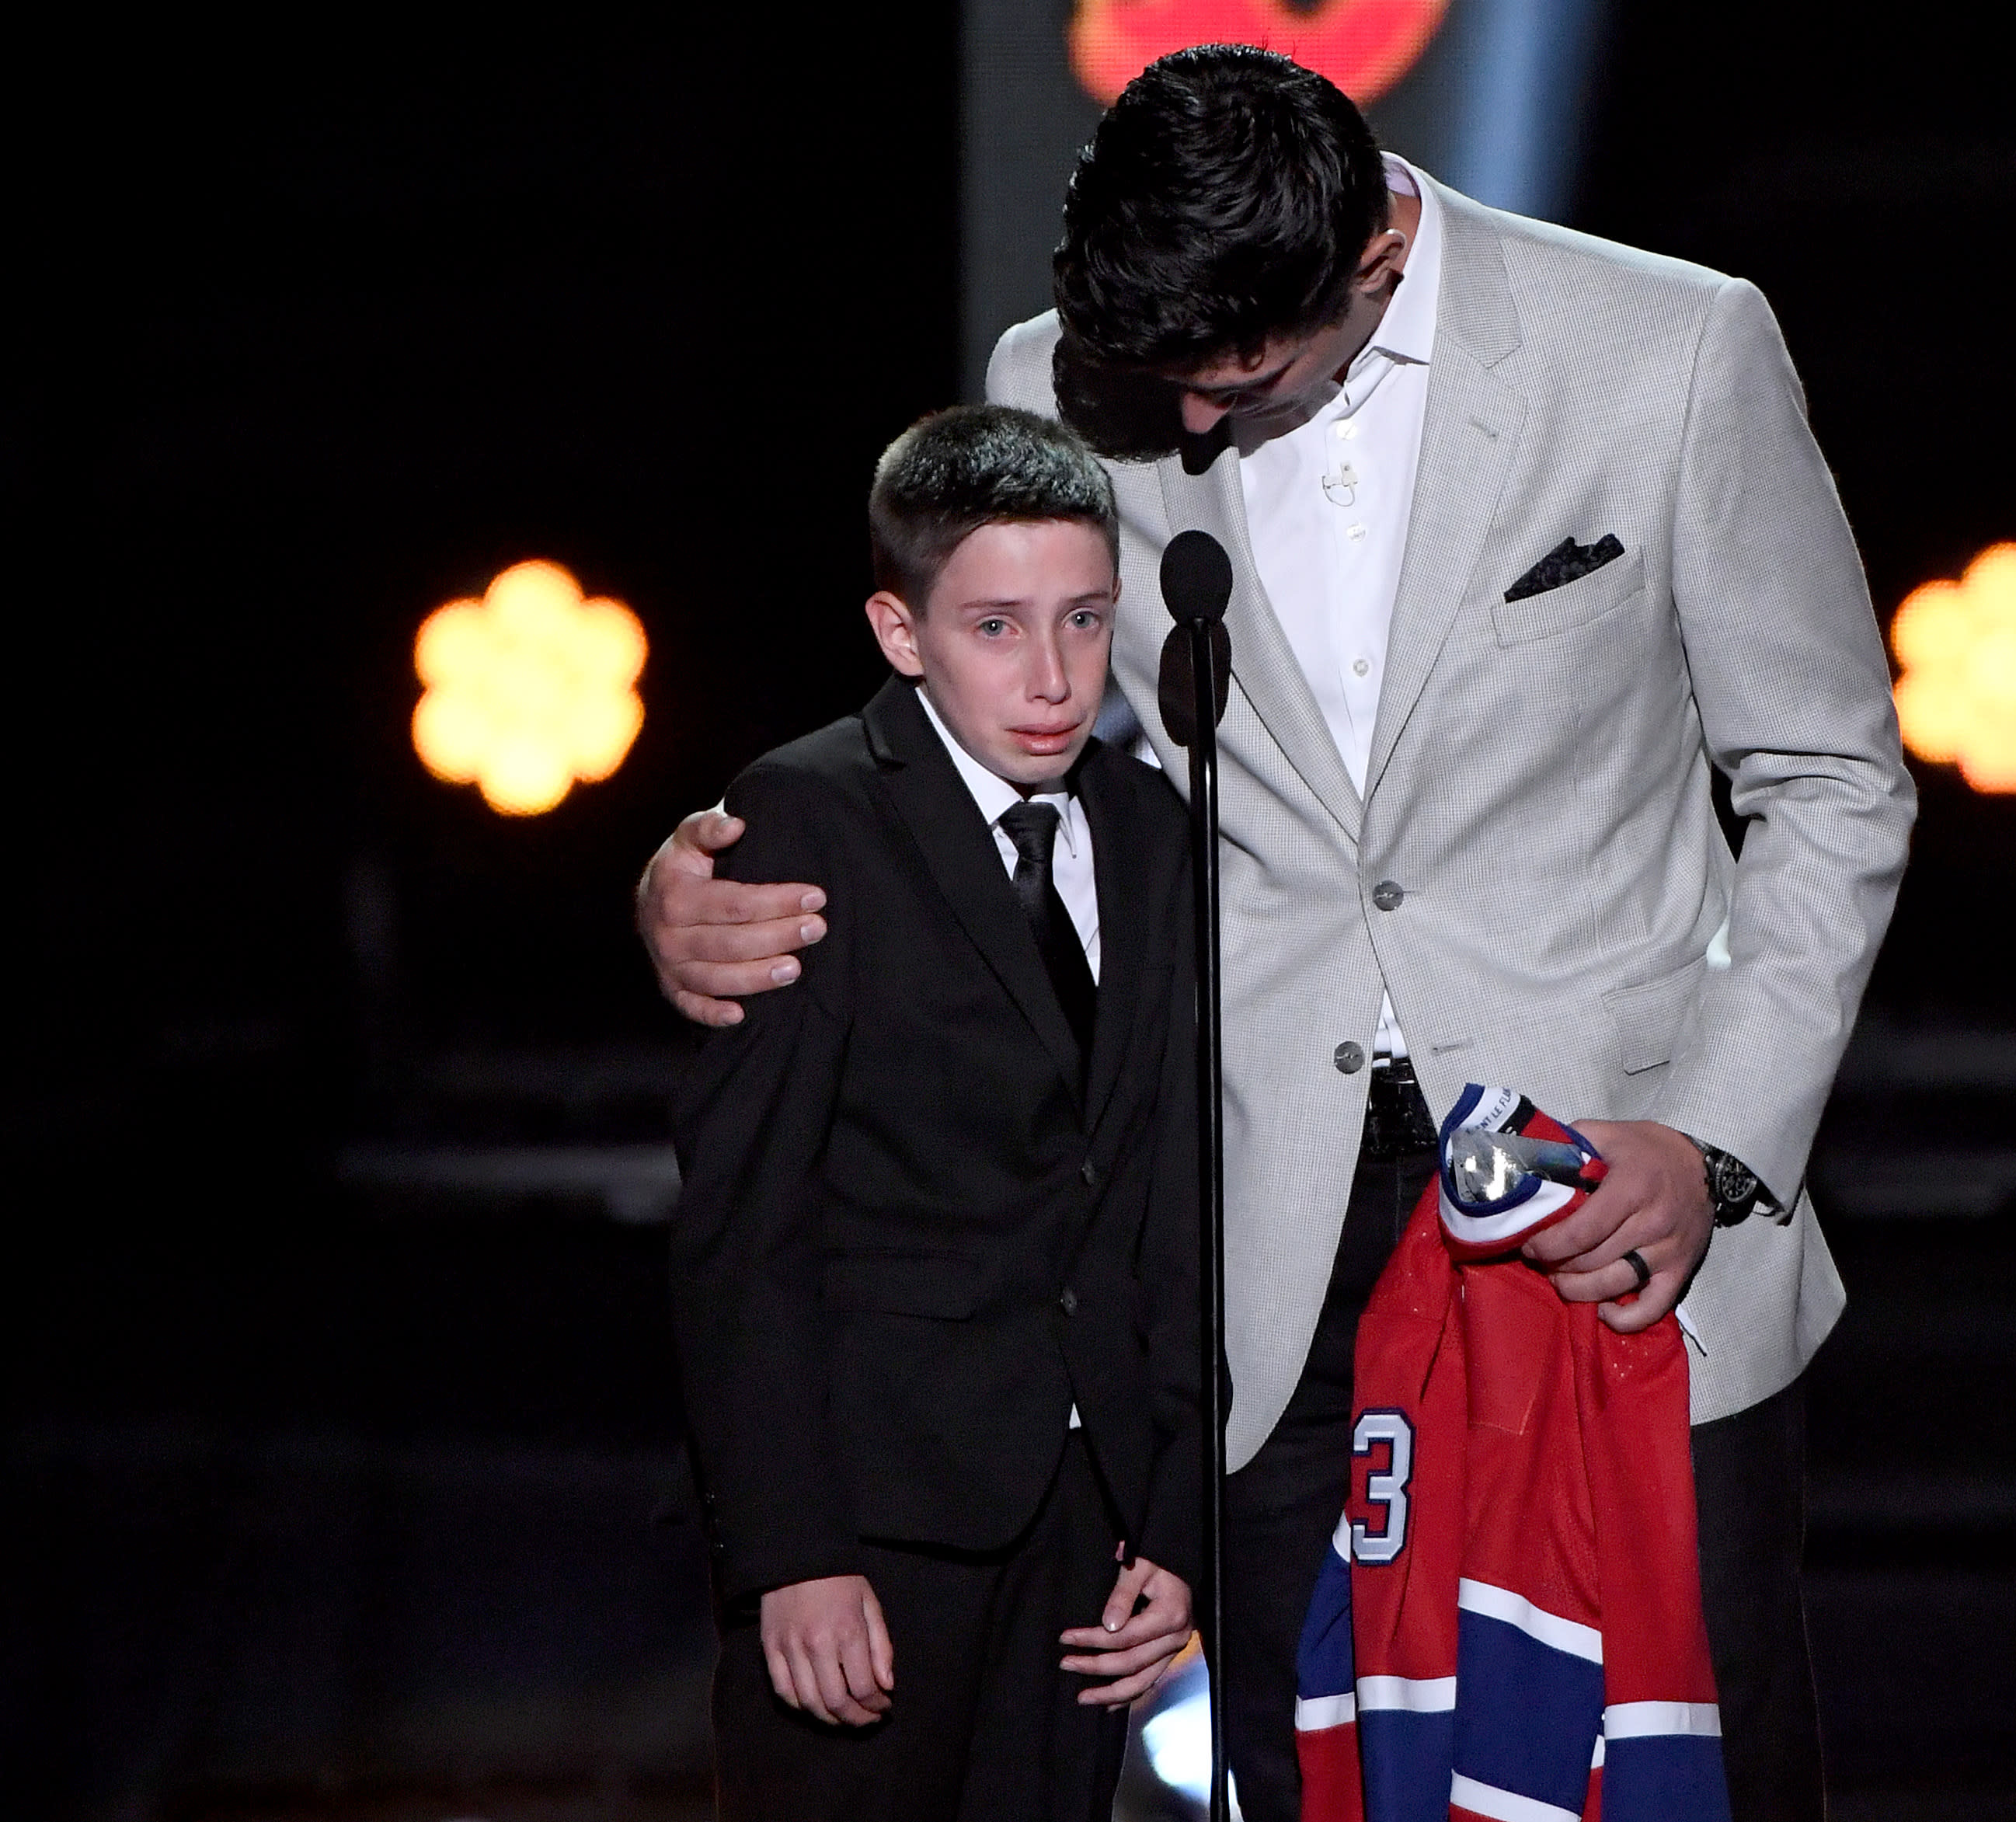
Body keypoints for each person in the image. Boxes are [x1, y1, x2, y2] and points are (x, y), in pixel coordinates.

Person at [643, 47, 1913, 1822]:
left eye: (1230, 386)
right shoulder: (1056, 381)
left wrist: (1713, 1142)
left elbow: (1833, 779)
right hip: (1250, 1224)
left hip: (1615, 1198)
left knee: (1676, 1767)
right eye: (1148, 387)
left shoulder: (1670, 348)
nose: (1174, 432)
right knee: (1302, 1769)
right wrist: (713, 861)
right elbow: (993, 730)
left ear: (1369, 271)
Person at [669, 404, 1203, 1822]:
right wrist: (788, 1551)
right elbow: (745, 1218)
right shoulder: (809, 815)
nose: (1053, 675)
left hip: (1092, 1534)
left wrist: (1178, 1519)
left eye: (1085, 620)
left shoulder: (1156, 835)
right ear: (901, 634)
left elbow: (1167, 1194)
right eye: (996, 627)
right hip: (874, 1529)